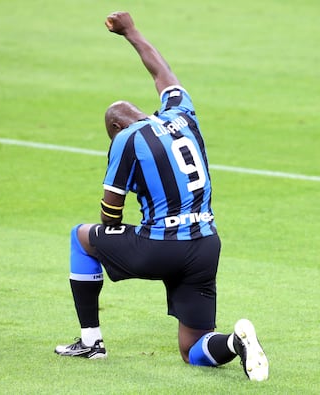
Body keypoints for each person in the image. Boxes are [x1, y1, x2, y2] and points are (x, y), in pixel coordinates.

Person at [55, 11, 269, 381]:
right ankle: (235, 342)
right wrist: (131, 32)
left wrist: (122, 235)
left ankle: (91, 342)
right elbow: (162, 74)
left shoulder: (126, 139)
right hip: (205, 244)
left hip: (160, 247)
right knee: (192, 349)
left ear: (117, 126)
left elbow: (110, 213)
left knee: (82, 237)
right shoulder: (183, 114)